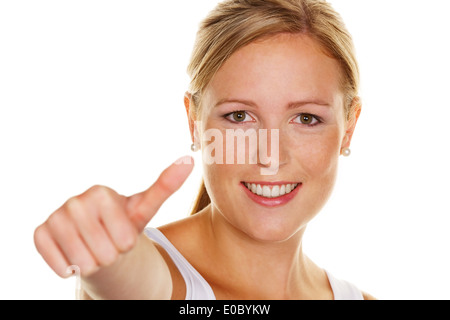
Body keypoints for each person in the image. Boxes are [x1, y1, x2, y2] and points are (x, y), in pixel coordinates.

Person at [34, 0, 375, 300]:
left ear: (349, 127)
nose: (270, 157)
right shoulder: (163, 277)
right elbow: (131, 282)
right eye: (239, 116)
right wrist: (105, 259)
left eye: (306, 118)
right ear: (194, 122)